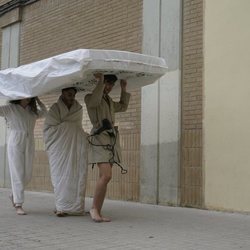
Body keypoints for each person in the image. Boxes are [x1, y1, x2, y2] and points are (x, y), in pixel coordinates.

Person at [84, 73, 131, 222]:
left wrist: (123, 89)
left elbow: (122, 107)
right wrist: (100, 82)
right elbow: (94, 102)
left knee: (104, 177)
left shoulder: (109, 100)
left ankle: (97, 209)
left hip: (110, 140)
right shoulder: (90, 97)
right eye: (107, 83)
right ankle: (94, 209)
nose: (109, 87)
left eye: (111, 84)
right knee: (106, 175)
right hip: (99, 138)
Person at [43, 87, 88, 217]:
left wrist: (75, 131)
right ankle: (61, 207)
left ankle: (76, 207)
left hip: (74, 148)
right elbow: (48, 129)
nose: (71, 95)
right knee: (59, 176)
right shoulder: (55, 108)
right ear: (62, 93)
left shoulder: (78, 108)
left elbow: (77, 127)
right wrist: (68, 127)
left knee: (75, 176)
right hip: (59, 148)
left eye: (73, 93)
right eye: (68, 92)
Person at [0, 97, 47, 215]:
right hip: (15, 139)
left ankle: (14, 195)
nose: (28, 98)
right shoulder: (10, 108)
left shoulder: (32, 111)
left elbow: (45, 112)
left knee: (27, 174)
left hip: (29, 140)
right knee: (17, 172)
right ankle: (18, 204)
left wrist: (38, 100)